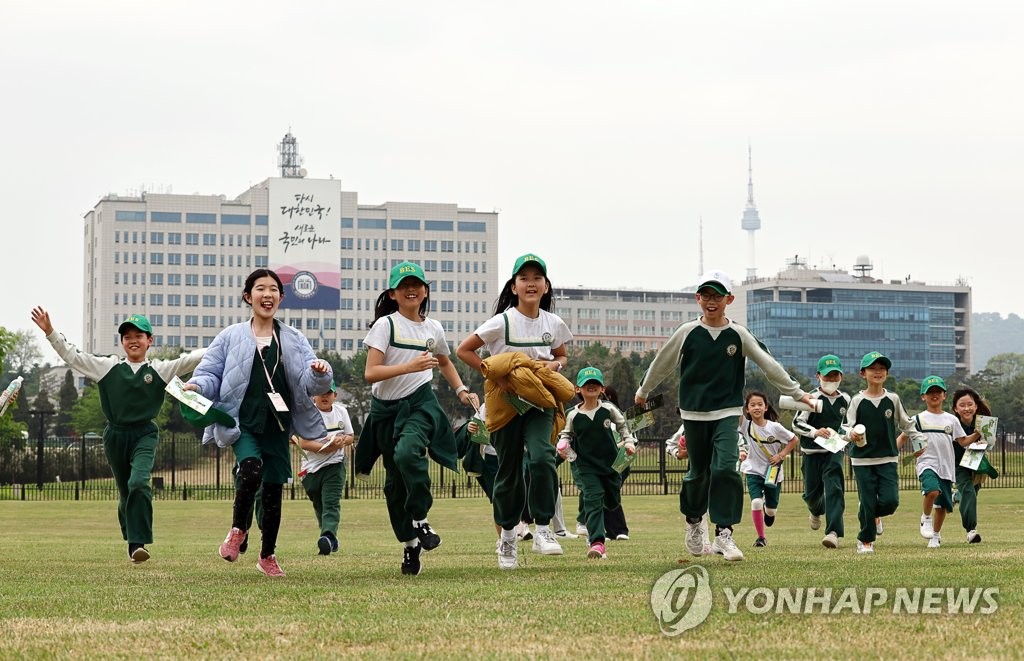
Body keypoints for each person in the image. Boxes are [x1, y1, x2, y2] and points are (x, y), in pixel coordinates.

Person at [634, 270, 813, 562]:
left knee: (727, 470)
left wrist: (797, 393)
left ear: (729, 299)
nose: (711, 301)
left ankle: (724, 534)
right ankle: (694, 522)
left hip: (728, 413)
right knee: (698, 473)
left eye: (717, 295)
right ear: (698, 299)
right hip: (693, 413)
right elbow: (662, 362)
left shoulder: (738, 334)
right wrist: (643, 390)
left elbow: (769, 364)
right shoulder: (687, 332)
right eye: (706, 295)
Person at [184, 269, 333, 578]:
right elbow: (210, 372)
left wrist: (320, 372)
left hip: (278, 424)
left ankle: (267, 555)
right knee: (251, 469)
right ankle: (238, 529)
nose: (267, 294)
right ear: (247, 296)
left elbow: (310, 383)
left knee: (273, 491)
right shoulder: (230, 335)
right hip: (243, 421)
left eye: (273, 289)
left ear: (281, 297)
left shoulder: (293, 338)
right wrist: (197, 387)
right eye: (260, 289)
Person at [31, 307, 205, 564]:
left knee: (138, 483)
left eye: (139, 335)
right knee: (125, 492)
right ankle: (131, 536)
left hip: (145, 434)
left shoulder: (160, 369)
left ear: (150, 341)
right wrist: (50, 332)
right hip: (115, 436)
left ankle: (138, 543)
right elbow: (73, 357)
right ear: (122, 341)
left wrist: (232, 340)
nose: (133, 340)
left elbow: (192, 359)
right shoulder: (108, 366)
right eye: (127, 336)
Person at [354, 261, 479, 577]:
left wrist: (462, 390)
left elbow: (445, 362)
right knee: (394, 486)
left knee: (409, 452)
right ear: (393, 293)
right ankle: (411, 546)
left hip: (420, 405)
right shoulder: (386, 326)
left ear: (425, 291)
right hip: (386, 412)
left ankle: (421, 519)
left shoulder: (433, 328)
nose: (411, 290)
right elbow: (371, 373)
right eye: (404, 285)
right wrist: (408, 366)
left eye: (417, 284)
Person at [456, 253, 575, 570]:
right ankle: (507, 538)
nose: (531, 283)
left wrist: (555, 365)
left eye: (538, 278)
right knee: (507, 472)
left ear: (546, 286)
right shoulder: (503, 321)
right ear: (514, 286)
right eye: (524, 278)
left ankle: (544, 529)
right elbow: (464, 350)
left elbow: (562, 356)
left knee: (542, 457)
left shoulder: (553, 323)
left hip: (539, 402)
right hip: (505, 403)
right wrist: (496, 375)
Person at [845, 351, 926, 555]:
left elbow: (907, 424)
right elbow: (844, 428)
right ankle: (865, 540)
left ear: (887, 373)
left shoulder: (893, 399)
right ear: (863, 373)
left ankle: (871, 515)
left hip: (888, 458)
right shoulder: (856, 400)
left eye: (881, 369)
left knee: (891, 502)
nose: (877, 372)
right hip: (861, 460)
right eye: (872, 368)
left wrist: (918, 439)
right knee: (868, 499)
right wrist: (851, 433)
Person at [556, 367, 636, 560]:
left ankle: (603, 518)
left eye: (595, 384)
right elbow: (566, 433)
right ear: (578, 389)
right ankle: (597, 543)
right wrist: (563, 443)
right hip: (586, 467)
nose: (591, 387)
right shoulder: (573, 415)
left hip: (610, 465)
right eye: (586, 384)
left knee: (611, 500)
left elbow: (624, 426)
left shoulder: (608, 409)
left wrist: (629, 442)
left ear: (601, 389)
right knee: (593, 498)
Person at [896, 376, 967, 549]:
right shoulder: (918, 419)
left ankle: (935, 536)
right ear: (923, 396)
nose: (934, 395)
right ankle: (925, 518)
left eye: (938, 392)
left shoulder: (952, 420)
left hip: (946, 466)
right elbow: (903, 437)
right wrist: (893, 455)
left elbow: (963, 441)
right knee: (932, 491)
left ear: (944, 395)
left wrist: (981, 433)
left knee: (942, 505)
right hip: (926, 463)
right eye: (930, 392)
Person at [791, 354, 851, 549]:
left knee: (835, 488)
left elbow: (847, 425)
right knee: (811, 495)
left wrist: (846, 435)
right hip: (811, 453)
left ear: (841, 376)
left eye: (835, 376)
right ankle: (816, 510)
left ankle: (833, 532)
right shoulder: (811, 398)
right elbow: (797, 423)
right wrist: (815, 432)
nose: (831, 380)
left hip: (834, 451)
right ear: (818, 376)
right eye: (827, 376)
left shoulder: (846, 400)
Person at [293, 381, 355, 556]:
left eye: (329, 393)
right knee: (319, 504)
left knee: (331, 503)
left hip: (335, 465)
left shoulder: (342, 412)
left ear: (335, 395)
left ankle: (327, 536)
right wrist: (327, 446)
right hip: (310, 469)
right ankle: (329, 538)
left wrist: (342, 441)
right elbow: (303, 443)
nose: (325, 396)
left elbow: (350, 436)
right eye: (321, 392)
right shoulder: (308, 414)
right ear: (314, 396)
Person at [738, 391, 797, 548]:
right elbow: (735, 409)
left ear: (766, 407)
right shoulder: (746, 425)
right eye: (752, 405)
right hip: (753, 471)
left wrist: (781, 455)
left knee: (771, 511)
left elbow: (793, 439)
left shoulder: (775, 427)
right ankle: (761, 537)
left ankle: (768, 510)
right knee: (756, 502)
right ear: (747, 409)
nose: (756, 407)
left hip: (773, 473)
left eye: (760, 404)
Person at [950, 387, 995, 544]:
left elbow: (991, 444)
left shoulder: (983, 423)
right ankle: (971, 530)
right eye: (962, 405)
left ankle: (956, 496)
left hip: (976, 463)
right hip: (958, 465)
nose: (967, 408)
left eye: (970, 404)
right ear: (956, 408)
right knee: (968, 492)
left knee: (972, 494)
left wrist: (985, 443)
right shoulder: (952, 424)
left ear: (976, 406)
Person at [664, 421, 712, 555]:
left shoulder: (726, 421)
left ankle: (723, 535)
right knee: (700, 502)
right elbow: (670, 445)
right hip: (699, 470)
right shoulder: (690, 423)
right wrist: (679, 454)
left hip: (719, 468)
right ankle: (705, 541)